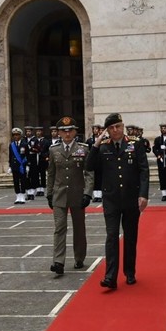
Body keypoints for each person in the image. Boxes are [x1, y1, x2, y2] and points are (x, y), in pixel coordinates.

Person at [88, 112, 149, 290]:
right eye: (112, 128)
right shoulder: (104, 147)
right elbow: (89, 166)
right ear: (107, 130)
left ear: (123, 126)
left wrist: (143, 194)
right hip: (111, 200)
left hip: (131, 199)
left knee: (130, 237)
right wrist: (96, 144)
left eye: (118, 126)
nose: (116, 130)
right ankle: (110, 277)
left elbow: (143, 171)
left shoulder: (135, 144)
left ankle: (129, 272)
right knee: (112, 237)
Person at [46, 117, 94, 277]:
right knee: (59, 228)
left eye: (70, 130)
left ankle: (79, 257)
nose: (67, 134)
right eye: (63, 131)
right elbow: (51, 174)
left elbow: (88, 173)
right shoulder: (53, 150)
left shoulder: (83, 149)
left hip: (77, 194)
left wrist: (87, 193)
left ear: (75, 132)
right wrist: (49, 193)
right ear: (59, 133)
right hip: (59, 194)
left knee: (79, 229)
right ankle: (58, 262)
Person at [7, 127, 28, 204]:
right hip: (14, 166)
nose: (15, 136)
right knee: (15, 181)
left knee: (22, 181)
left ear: (20, 135)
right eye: (14, 135)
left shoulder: (24, 144)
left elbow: (27, 155)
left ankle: (22, 196)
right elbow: (10, 156)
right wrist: (10, 166)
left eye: (17, 135)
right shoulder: (11, 145)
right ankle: (17, 196)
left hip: (22, 166)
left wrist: (28, 165)